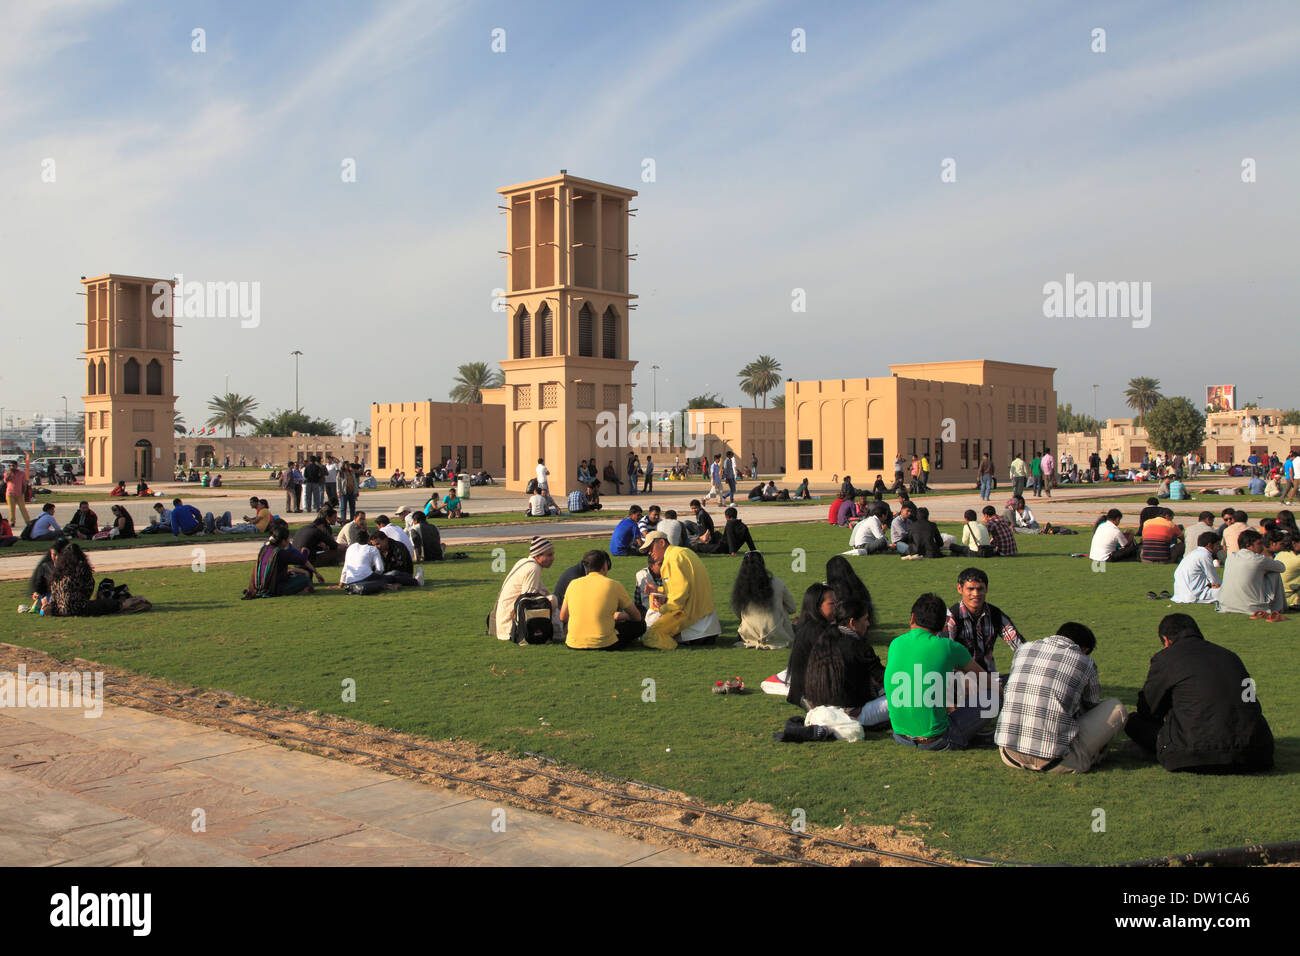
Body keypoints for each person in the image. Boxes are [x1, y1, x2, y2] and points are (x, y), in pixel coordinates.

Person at [1124, 614, 1273, 773]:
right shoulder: (1230, 656)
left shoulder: (1166, 658)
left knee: (1132, 722)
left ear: (1166, 641)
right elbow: (1252, 704)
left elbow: (1147, 709)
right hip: (1255, 752)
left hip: (1193, 752)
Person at [995, 622, 1126, 773]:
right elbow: (1091, 705)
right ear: (1084, 649)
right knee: (1116, 708)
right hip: (1054, 762)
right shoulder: (1086, 662)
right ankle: (1093, 756)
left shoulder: (1024, 649)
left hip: (1008, 755)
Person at [886, 593, 990, 751]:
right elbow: (984, 679)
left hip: (900, 735)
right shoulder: (949, 647)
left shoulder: (895, 644)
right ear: (944, 625)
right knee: (992, 697)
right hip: (938, 740)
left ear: (912, 618)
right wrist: (1004, 694)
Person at [641, 531, 721, 648]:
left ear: (662, 542)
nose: (649, 553)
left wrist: (662, 609)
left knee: (650, 636)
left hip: (693, 629)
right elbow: (685, 585)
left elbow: (679, 595)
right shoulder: (683, 552)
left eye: (650, 548)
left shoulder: (671, 559)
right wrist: (659, 590)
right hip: (708, 624)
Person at [941, 566, 1024, 676]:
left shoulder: (995, 615)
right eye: (970, 589)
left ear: (986, 589)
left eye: (980, 589)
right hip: (959, 682)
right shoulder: (951, 618)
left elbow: (1020, 646)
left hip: (989, 677)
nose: (976, 594)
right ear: (960, 589)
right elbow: (945, 655)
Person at [559, 549, 643, 650]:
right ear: (605, 566)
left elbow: (563, 617)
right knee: (641, 625)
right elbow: (636, 617)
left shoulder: (573, 584)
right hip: (604, 643)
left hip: (573, 643)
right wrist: (621, 616)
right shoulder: (614, 585)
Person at [493, 537, 558, 639]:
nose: (553, 558)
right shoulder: (533, 568)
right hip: (510, 628)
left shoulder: (524, 562)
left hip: (503, 624)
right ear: (537, 555)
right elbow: (528, 602)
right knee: (552, 600)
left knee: (551, 600)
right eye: (549, 555)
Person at [731, 551, 797, 649]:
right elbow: (792, 608)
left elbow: (738, 613)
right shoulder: (777, 583)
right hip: (777, 633)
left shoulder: (741, 587)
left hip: (750, 634)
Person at [1215, 529, 1286, 618]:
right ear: (1248, 545)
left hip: (1225, 605)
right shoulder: (1258, 559)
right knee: (1274, 574)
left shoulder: (1231, 557)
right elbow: (1281, 567)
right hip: (1251, 607)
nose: (1262, 547)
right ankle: (1279, 608)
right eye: (1259, 544)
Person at [245, 523, 325, 598]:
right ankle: (302, 590)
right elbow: (302, 559)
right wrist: (305, 550)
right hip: (274, 588)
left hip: (258, 586)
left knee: (298, 575)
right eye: (288, 539)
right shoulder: (280, 553)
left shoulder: (265, 548)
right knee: (304, 579)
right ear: (283, 541)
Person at [1172, 532, 1222, 604]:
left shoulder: (1194, 553)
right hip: (1193, 595)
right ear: (1209, 545)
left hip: (1179, 594)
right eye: (1217, 544)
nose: (1219, 547)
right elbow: (1214, 580)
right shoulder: (1205, 554)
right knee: (1229, 591)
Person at [5, 461, 31, 528]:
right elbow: (6, 480)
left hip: (19, 494)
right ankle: (12, 522)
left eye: (13, 465)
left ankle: (28, 522)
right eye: (10, 466)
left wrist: (24, 491)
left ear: (16, 466)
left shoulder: (21, 473)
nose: (12, 467)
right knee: (12, 509)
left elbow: (24, 483)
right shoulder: (7, 473)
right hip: (10, 493)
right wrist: (10, 473)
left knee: (22, 508)